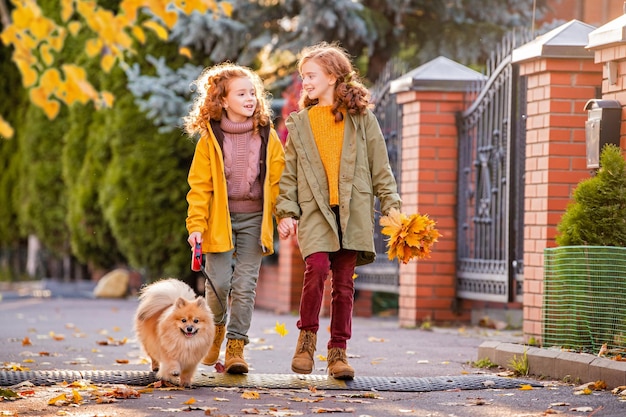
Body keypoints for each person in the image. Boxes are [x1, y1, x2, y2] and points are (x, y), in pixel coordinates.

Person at [275, 42, 401, 380]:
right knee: (316, 269)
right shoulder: (300, 123)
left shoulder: (362, 119)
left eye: (311, 75)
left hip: (354, 211)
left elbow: (380, 168)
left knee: (344, 284)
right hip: (316, 211)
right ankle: (306, 340)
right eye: (304, 77)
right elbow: (290, 173)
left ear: (332, 76)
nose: (306, 83)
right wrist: (286, 211)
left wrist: (391, 207)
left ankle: (338, 352)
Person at [183, 62, 285, 374]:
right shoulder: (209, 140)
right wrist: (195, 226)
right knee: (218, 286)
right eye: (242, 93)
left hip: (255, 218)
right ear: (223, 100)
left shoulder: (267, 135)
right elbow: (200, 187)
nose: (250, 98)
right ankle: (215, 334)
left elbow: (279, 181)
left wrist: (283, 216)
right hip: (219, 221)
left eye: (253, 92)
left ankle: (237, 347)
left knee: (244, 285)